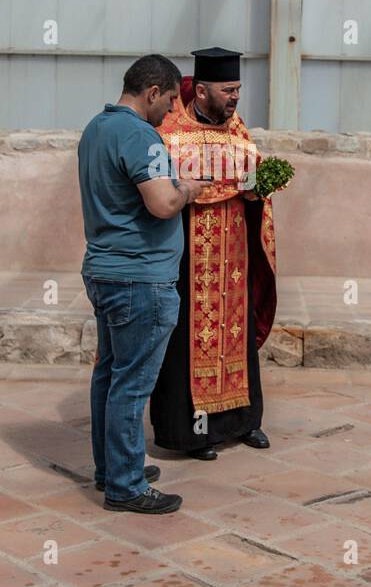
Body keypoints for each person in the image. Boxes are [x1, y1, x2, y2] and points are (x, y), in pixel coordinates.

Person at [77, 54, 207, 514]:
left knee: (109, 376)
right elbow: (162, 204)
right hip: (140, 277)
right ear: (152, 92)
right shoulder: (139, 134)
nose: (173, 111)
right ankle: (127, 485)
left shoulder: (95, 128)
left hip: (104, 270)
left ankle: (111, 467)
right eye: (171, 100)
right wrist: (188, 188)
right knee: (132, 384)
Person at [149, 47, 278, 461]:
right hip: (190, 260)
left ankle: (243, 422)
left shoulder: (238, 131)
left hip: (235, 257)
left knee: (235, 337)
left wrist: (260, 189)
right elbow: (165, 189)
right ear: (201, 91)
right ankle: (194, 433)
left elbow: (251, 182)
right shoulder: (170, 132)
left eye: (238, 89)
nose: (236, 97)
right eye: (228, 90)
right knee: (187, 340)